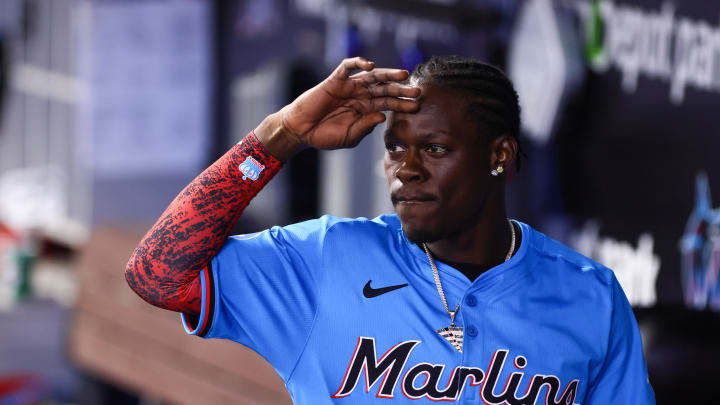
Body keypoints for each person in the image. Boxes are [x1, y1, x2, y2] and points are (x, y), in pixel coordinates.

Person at [125, 56, 655, 404]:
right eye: (396, 147)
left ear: (499, 156)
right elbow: (156, 274)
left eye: (436, 149)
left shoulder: (588, 294)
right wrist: (280, 135)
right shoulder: (328, 258)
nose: (407, 169)